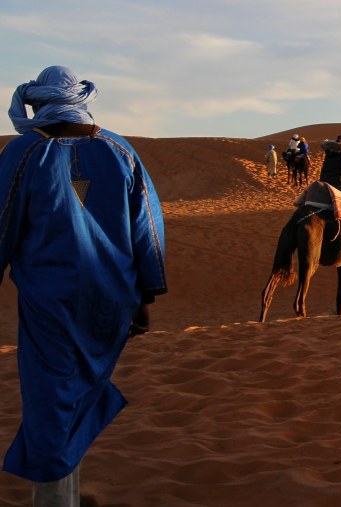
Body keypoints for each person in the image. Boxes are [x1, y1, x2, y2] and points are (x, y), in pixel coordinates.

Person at [0, 65, 167, 506]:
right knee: (73, 391)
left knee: (50, 401)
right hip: (110, 302)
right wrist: (145, 298)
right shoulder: (121, 150)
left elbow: (2, 225)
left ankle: (55, 501)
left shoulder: (23, 154)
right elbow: (147, 230)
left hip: (49, 302)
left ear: (41, 103)